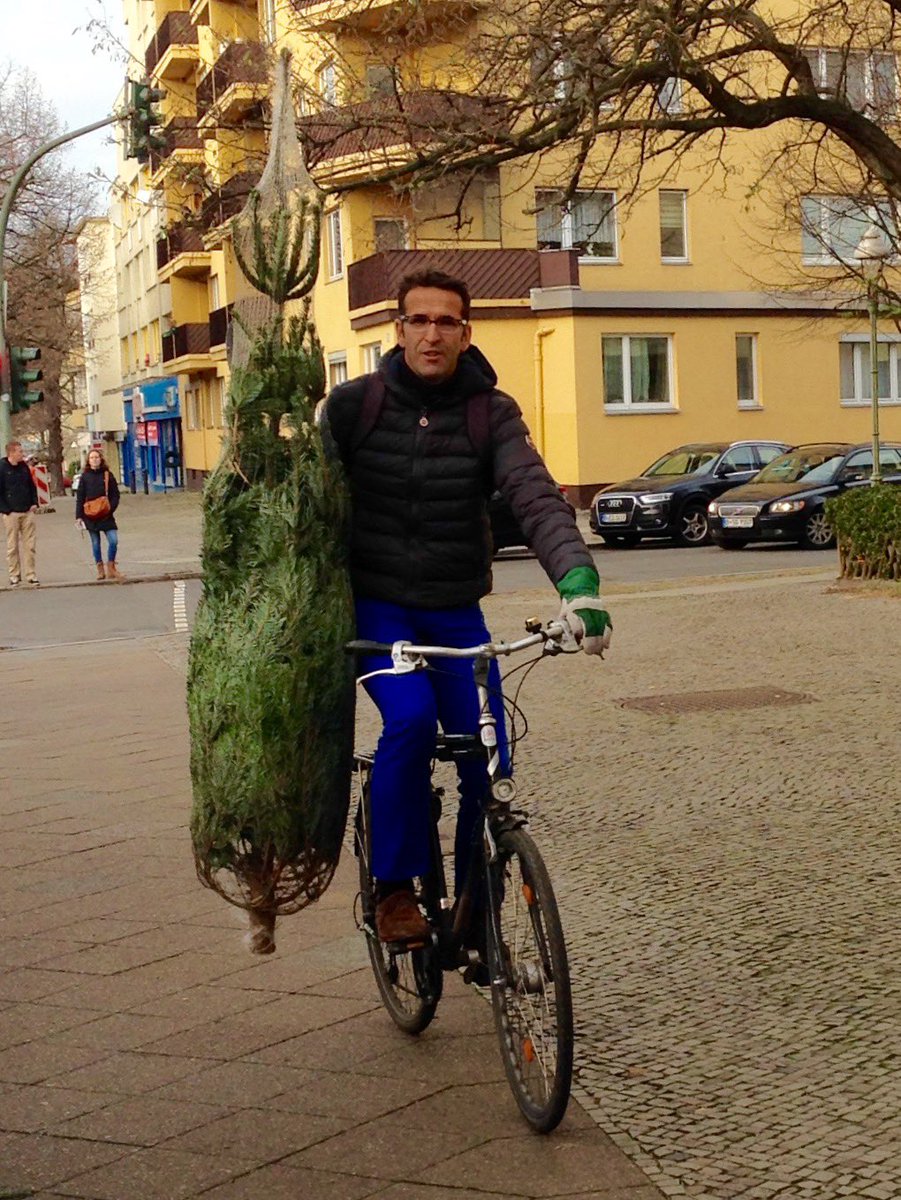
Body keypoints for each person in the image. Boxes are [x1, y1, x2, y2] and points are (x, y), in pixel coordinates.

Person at [323, 268, 611, 943]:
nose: (432, 334)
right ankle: (394, 888)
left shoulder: (491, 412)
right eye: (419, 321)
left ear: (465, 333)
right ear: (398, 331)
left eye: (445, 322)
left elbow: (533, 494)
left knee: (488, 750)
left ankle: (476, 901)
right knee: (409, 722)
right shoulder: (353, 406)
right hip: (379, 612)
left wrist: (578, 585)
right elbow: (308, 504)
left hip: (455, 613)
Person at [76, 449, 122, 581]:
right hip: (90, 515)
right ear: (88, 461)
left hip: (106, 515)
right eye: (92, 458)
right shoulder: (85, 477)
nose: (94, 460)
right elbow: (80, 497)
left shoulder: (107, 475)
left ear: (101, 459)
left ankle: (111, 567)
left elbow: (115, 495)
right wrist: (79, 516)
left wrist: (110, 508)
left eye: (97, 457)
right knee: (95, 543)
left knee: (113, 540)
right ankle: (100, 569)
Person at [0, 440, 39, 587]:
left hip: (27, 511)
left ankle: (31, 574)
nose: (22, 454)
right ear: (11, 453)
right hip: (11, 513)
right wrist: (6, 510)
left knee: (30, 545)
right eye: (20, 451)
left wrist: (34, 502)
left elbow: (31, 485)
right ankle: (14, 574)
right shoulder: (2, 468)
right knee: (13, 546)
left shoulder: (23, 467)